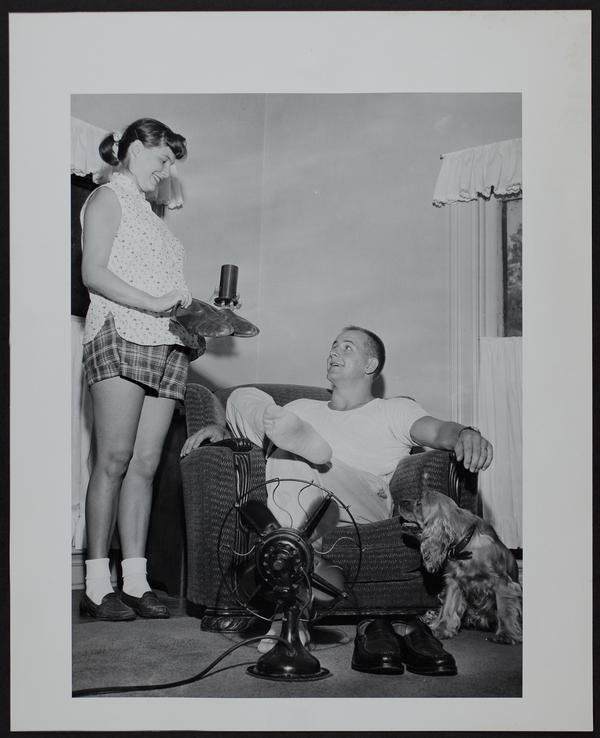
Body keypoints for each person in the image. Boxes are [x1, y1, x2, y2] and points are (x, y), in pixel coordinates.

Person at [181, 325, 493, 673]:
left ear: (370, 365)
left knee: (293, 453)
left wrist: (465, 433)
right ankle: (294, 605)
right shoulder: (299, 408)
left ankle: (308, 456)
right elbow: (255, 428)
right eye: (333, 346)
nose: (333, 352)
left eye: (347, 347)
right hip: (304, 497)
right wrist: (223, 431)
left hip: (362, 501)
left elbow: (437, 430)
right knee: (247, 400)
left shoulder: (394, 409)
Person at [79, 118, 196, 621]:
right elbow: (93, 272)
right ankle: (95, 586)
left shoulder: (155, 220)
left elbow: (167, 290)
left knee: (146, 465)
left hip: (167, 343)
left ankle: (135, 581)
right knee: (114, 458)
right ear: (134, 148)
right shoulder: (108, 198)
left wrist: (195, 320)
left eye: (171, 163)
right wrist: (152, 302)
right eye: (163, 158)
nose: (167, 171)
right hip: (121, 330)